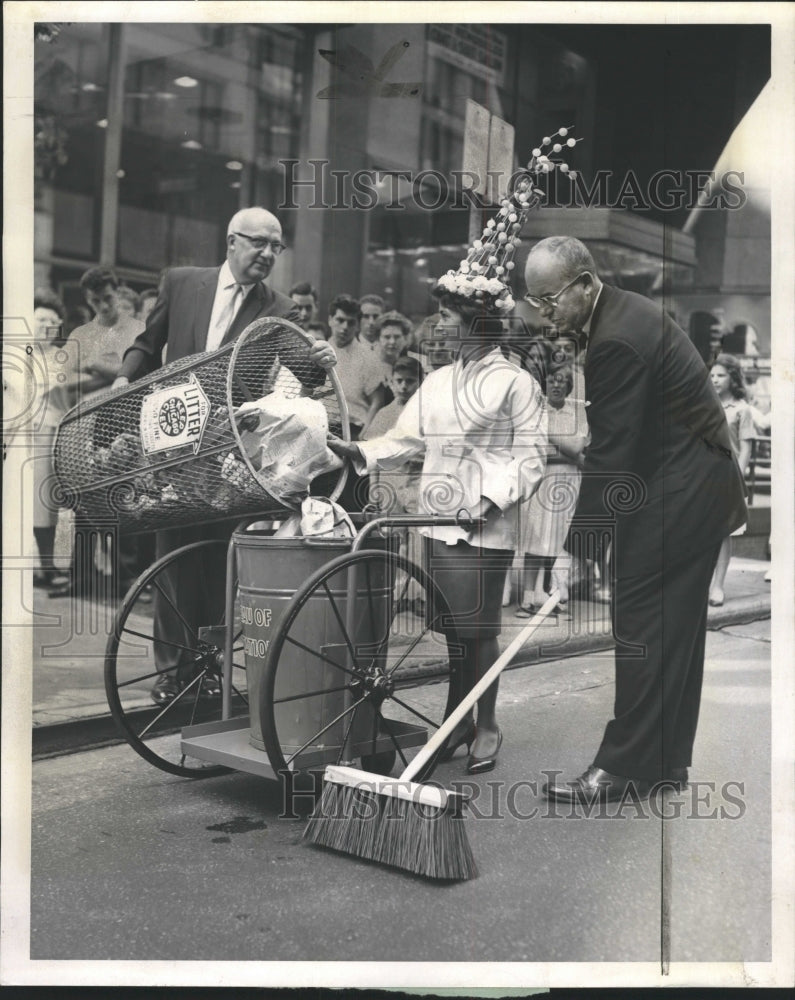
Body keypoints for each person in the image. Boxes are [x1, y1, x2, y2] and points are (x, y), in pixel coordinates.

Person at [523, 237, 747, 803]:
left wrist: (579, 553)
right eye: (535, 302)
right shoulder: (621, 315)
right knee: (672, 632)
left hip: (684, 492)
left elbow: (613, 455)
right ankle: (665, 763)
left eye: (550, 300)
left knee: (641, 625)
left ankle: (621, 768)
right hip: (694, 485)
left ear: (584, 283)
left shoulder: (615, 339)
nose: (544, 313)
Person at [113, 206, 337, 705]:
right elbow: (149, 342)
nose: (268, 254)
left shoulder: (279, 308)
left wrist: (320, 361)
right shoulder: (181, 282)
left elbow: (303, 369)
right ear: (232, 241)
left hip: (231, 450)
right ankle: (170, 671)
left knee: (217, 559)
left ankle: (208, 667)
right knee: (171, 556)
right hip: (170, 442)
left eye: (276, 247)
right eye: (259, 243)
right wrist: (125, 378)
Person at [330, 293, 547, 775]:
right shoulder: (439, 379)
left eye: (447, 318)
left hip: (484, 523)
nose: (437, 325)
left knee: (479, 629)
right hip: (435, 518)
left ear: (475, 324)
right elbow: (405, 439)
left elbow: (530, 458)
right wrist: (357, 450)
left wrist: (486, 503)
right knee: (453, 631)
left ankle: (486, 724)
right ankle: (457, 722)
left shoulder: (516, 382)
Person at [47, 267, 146, 598]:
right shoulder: (80, 334)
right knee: (84, 497)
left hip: (123, 420)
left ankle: (125, 578)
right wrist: (108, 373)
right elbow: (65, 381)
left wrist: (96, 367)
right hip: (86, 423)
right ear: (87, 300)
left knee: (122, 495)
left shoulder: (136, 329)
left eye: (107, 298)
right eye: (95, 301)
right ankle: (82, 578)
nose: (102, 306)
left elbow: (139, 371)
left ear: (117, 292)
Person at [516, 365, 588, 616]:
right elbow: (533, 450)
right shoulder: (535, 412)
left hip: (568, 481)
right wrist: (567, 452)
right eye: (552, 380)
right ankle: (527, 599)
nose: (556, 385)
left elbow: (577, 445)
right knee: (534, 537)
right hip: (541, 479)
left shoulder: (577, 413)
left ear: (568, 387)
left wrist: (548, 435)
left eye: (562, 381)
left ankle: (554, 594)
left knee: (561, 539)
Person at [708, 353, 755, 607]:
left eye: (721, 375)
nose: (715, 379)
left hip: (729, 478)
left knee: (725, 531)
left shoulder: (742, 409)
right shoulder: (705, 404)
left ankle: (718, 586)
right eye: (712, 375)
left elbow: (745, 448)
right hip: (704, 476)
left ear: (732, 378)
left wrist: (737, 479)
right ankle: (700, 582)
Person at [31, 292, 70, 588]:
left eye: (52, 321)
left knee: (43, 503)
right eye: (40, 319)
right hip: (17, 435)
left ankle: (46, 565)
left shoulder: (59, 357)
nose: (46, 325)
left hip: (47, 432)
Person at [325, 294, 388, 440]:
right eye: (340, 320)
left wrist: (363, 436)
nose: (345, 327)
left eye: (351, 322)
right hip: (320, 425)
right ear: (330, 320)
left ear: (357, 325)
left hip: (352, 429)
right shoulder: (319, 351)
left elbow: (377, 402)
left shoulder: (368, 358)